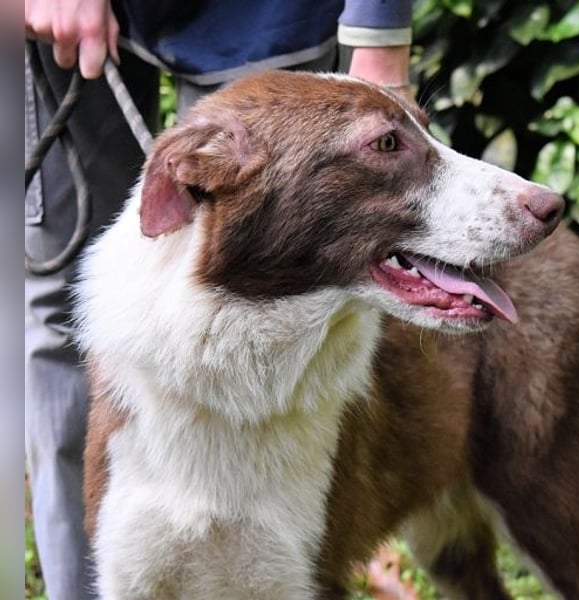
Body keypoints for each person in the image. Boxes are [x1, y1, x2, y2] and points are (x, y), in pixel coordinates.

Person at [24, 1, 412, 598]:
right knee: (61, 305)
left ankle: (289, 541)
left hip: (266, 14)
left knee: (302, 267)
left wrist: (379, 30)